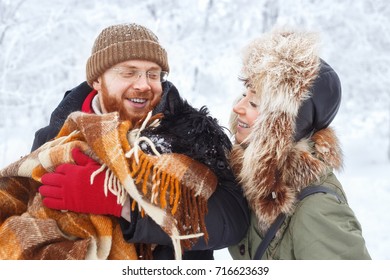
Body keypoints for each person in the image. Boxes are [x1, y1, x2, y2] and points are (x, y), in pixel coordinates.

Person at [32, 23, 249, 260]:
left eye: (153, 74)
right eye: (129, 72)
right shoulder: (54, 141)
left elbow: (233, 220)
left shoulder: (192, 133)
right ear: (96, 80)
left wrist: (125, 204)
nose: (143, 85)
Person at [227, 28, 371, 259]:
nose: (238, 107)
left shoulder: (317, 209)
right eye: (244, 95)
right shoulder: (258, 183)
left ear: (283, 126)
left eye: (254, 103)